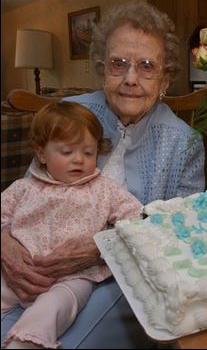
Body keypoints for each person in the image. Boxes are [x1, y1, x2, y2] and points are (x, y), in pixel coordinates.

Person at [1, 1, 205, 349]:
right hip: (35, 260)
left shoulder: (184, 143)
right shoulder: (68, 114)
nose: (130, 79)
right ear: (101, 68)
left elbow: (179, 234)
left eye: (146, 67)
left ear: (165, 79)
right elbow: (25, 192)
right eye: (118, 64)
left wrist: (101, 248)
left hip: (121, 274)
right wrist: (7, 248)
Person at [1, 101, 142, 349]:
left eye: (88, 153)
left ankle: (26, 342)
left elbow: (136, 219)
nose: (78, 160)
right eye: (67, 152)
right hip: (18, 273)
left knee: (55, 306)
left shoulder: (105, 189)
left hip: (74, 277)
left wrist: (106, 242)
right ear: (42, 153)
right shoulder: (24, 188)